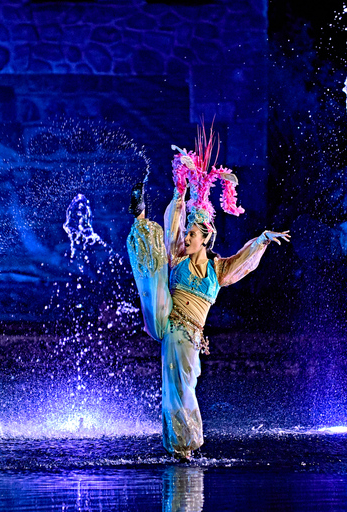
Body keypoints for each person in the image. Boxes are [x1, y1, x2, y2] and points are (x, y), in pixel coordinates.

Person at [126, 126, 290, 461]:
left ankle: (183, 445)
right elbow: (173, 223)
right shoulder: (179, 259)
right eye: (186, 233)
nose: (186, 237)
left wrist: (262, 239)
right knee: (178, 387)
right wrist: (179, 194)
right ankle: (182, 448)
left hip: (193, 336)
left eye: (192, 234)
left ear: (206, 237)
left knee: (186, 385)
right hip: (171, 326)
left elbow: (243, 261)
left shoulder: (218, 270)